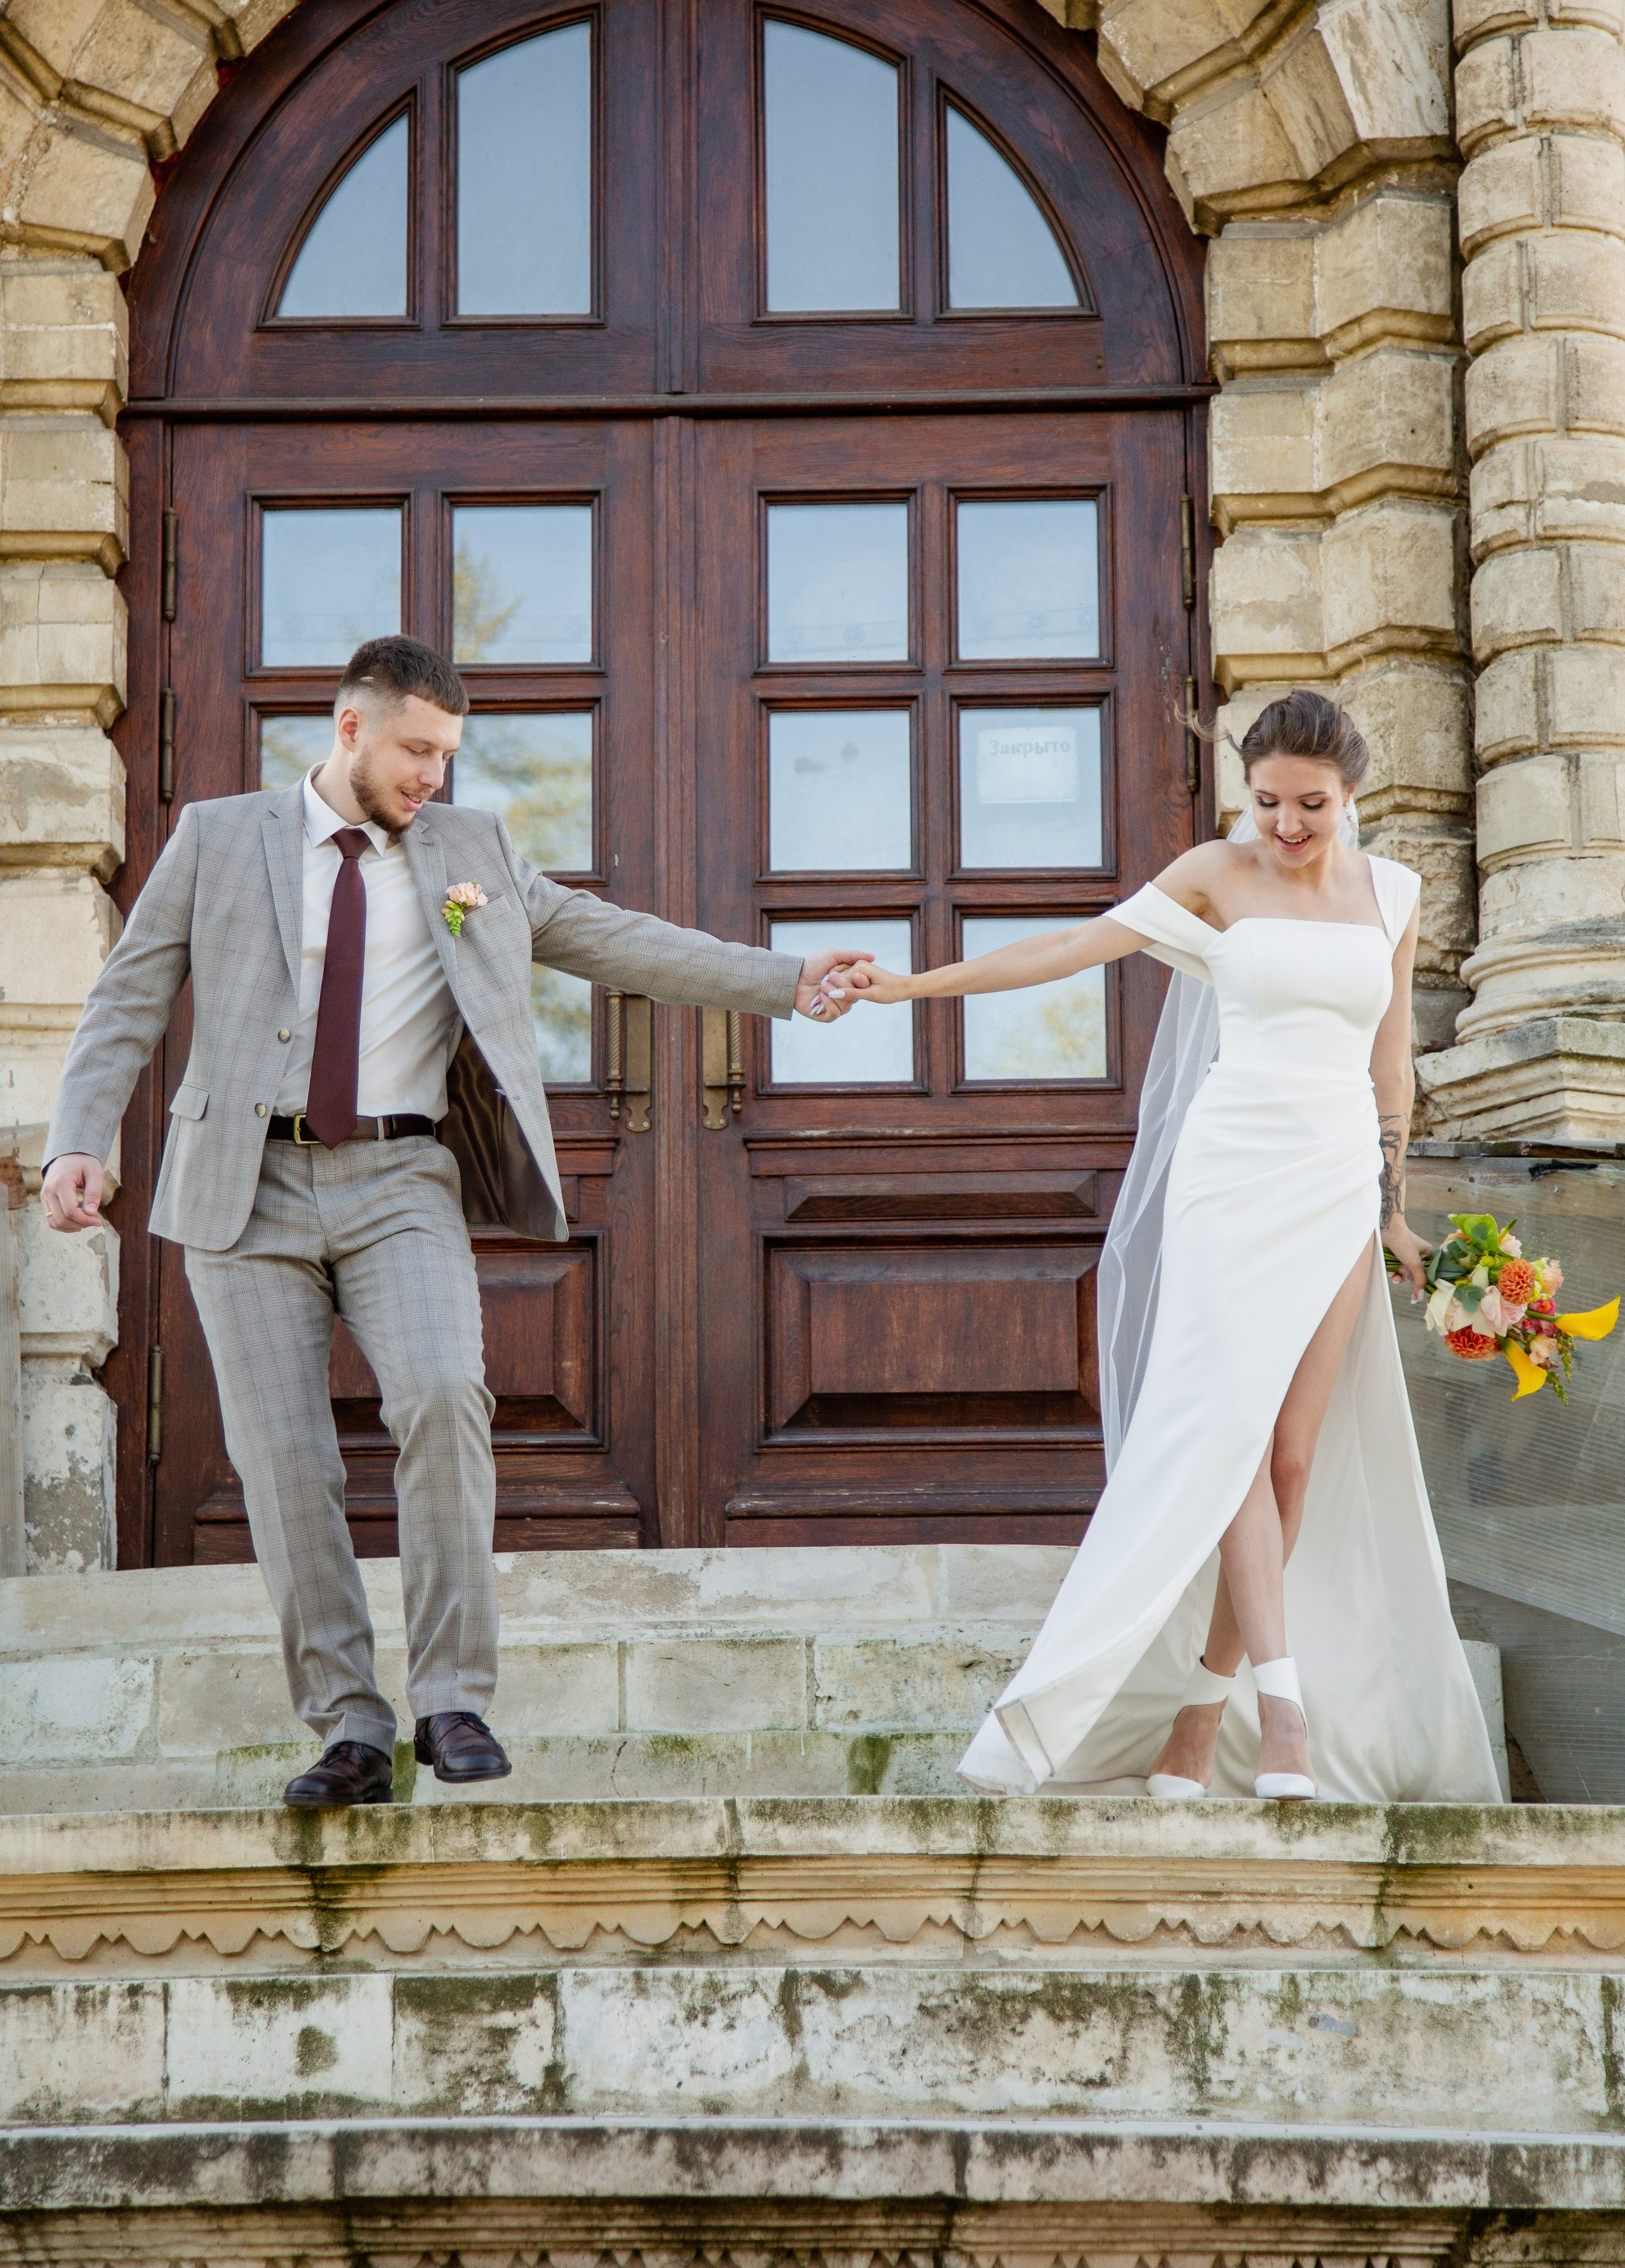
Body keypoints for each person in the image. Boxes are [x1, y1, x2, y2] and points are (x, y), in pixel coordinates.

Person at [41, 636, 865, 1809]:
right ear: (350, 729)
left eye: (447, 754)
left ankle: (452, 1698)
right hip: (244, 1184)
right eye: (417, 749)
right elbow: (128, 996)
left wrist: (785, 978)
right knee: (285, 1464)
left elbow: (612, 939)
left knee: (441, 1397)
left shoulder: (469, 850)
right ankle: (349, 1725)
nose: (434, 774)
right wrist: (80, 1138)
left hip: (402, 1178)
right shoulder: (218, 839)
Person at [840, 689, 1502, 1804]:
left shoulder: (1395, 890)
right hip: (1229, 1174)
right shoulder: (1212, 874)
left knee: (1292, 1454)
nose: (1286, 826)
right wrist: (913, 985)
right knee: (1236, 1442)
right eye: (1269, 802)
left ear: (1352, 796)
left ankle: (1200, 1718)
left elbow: (1391, 1064)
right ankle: (1283, 1716)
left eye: (1312, 806)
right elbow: (1071, 946)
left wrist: (1390, 1206)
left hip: (1336, 1181)